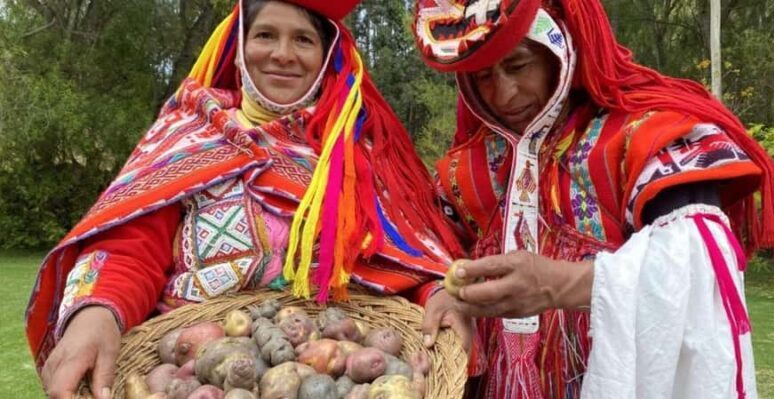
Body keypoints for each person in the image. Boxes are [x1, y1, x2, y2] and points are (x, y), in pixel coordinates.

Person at [25, 1, 464, 398]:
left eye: (303, 40)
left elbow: (403, 258)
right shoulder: (188, 134)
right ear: (238, 44)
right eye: (265, 35)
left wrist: (436, 293)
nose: (283, 54)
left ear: (328, 56)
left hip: (329, 360)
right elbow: (131, 249)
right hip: (194, 359)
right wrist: (97, 313)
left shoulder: (358, 157)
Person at [414, 0, 774, 398]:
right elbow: (430, 255)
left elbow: (699, 264)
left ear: (558, 48)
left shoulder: (641, 137)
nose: (504, 94)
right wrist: (445, 295)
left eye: (518, 65)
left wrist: (559, 285)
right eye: (482, 77)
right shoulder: (465, 170)